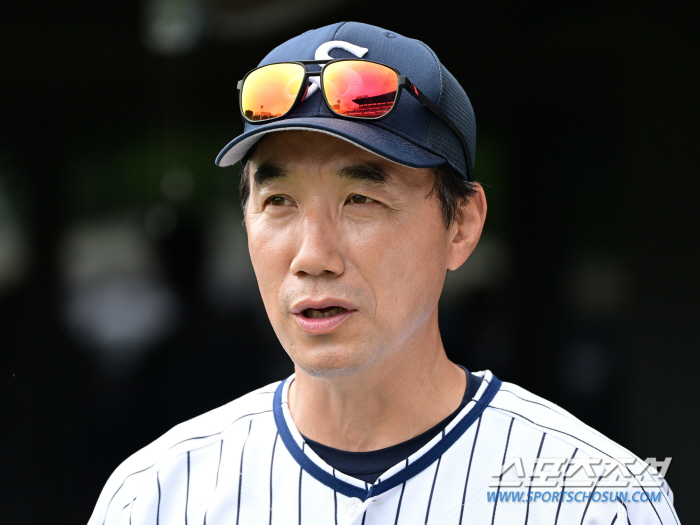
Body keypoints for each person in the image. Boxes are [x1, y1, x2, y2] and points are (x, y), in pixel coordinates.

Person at [88, 22, 679, 525]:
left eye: (361, 200)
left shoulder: (595, 498)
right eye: (279, 202)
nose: (312, 255)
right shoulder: (157, 496)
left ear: (462, 225)